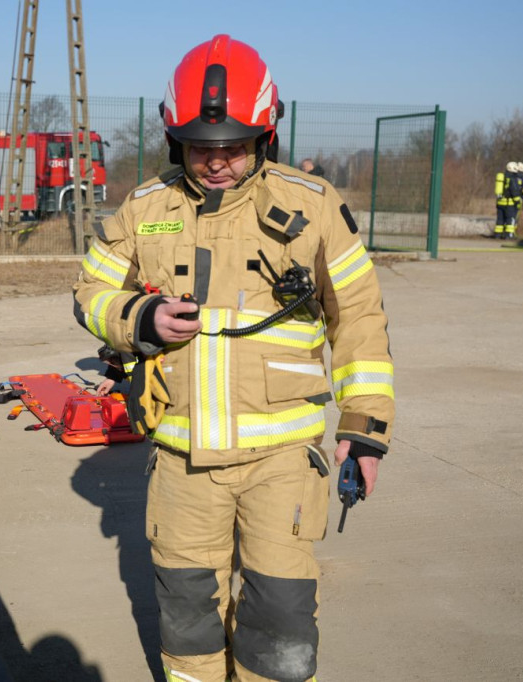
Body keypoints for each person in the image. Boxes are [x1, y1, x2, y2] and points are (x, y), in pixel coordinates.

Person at [72, 35, 394, 682]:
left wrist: (365, 433)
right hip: (182, 463)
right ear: (174, 139)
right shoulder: (145, 210)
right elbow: (90, 293)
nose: (217, 162)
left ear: (264, 136)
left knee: (281, 616)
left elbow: (357, 320)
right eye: (201, 147)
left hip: (282, 462)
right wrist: (139, 318)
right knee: (186, 613)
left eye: (234, 147)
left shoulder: (315, 207)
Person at [494, 161, 522, 239]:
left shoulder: (502, 177)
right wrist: (517, 202)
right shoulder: (513, 178)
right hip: (509, 204)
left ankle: (497, 235)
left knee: (500, 219)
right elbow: (514, 191)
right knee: (510, 219)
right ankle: (509, 235)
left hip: (500, 203)